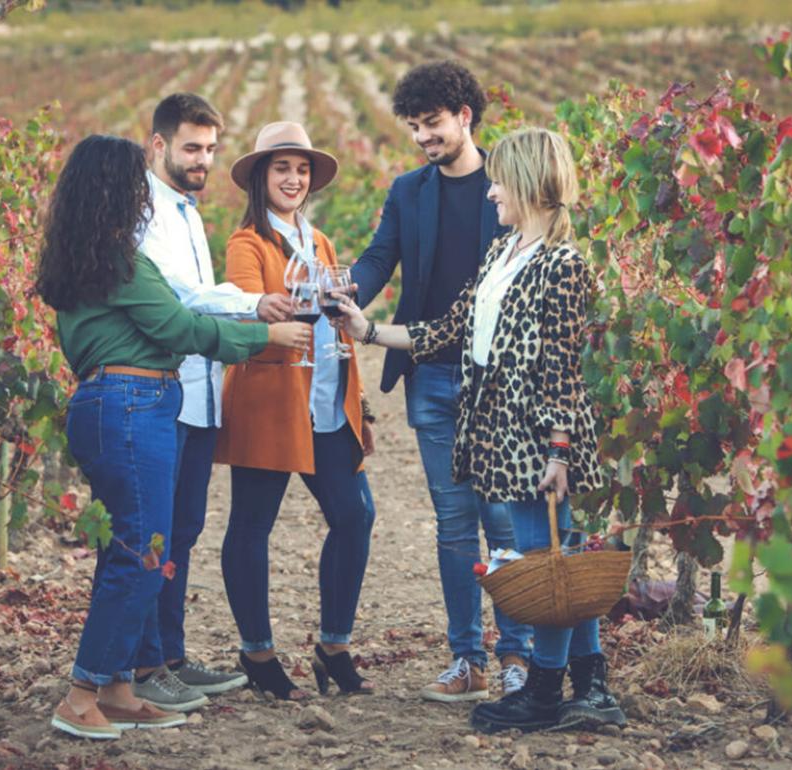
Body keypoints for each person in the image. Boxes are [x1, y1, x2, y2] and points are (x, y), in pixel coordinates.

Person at [332, 127, 624, 734]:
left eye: (498, 182)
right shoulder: (504, 254)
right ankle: (584, 688)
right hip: (505, 436)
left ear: (525, 183)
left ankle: (550, 691)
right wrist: (366, 331)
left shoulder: (563, 265)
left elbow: (566, 366)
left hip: (542, 440)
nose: (490, 192)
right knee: (553, 559)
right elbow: (444, 330)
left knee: (544, 560)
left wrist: (560, 450)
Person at [35, 134, 311, 739]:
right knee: (142, 551)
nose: (143, 195)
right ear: (114, 191)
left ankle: (118, 687)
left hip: (118, 405)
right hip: (131, 405)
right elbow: (180, 326)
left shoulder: (83, 258)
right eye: (135, 184)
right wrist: (263, 340)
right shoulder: (119, 263)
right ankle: (82, 695)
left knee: (131, 549)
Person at [350, 60, 531, 703]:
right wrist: (351, 289)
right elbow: (379, 257)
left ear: (464, 117)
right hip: (429, 371)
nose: (424, 137)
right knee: (453, 524)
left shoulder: (509, 184)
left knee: (504, 521)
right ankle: (467, 658)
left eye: (432, 124)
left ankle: (517, 656)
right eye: (415, 127)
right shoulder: (408, 191)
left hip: (498, 375)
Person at [130, 93, 294, 711]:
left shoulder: (189, 211)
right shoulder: (145, 211)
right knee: (155, 538)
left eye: (209, 150)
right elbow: (179, 295)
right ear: (159, 145)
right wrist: (254, 309)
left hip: (201, 397)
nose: (202, 160)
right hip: (163, 396)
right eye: (191, 147)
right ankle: (145, 666)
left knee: (184, 532)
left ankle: (170, 656)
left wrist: (255, 307)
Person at [214, 122, 376, 700]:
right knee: (252, 526)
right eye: (281, 168)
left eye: (301, 169)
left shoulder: (322, 241)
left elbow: (336, 318)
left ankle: (333, 646)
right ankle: (257, 652)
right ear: (261, 177)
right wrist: (268, 311)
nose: (293, 178)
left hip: (327, 402)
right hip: (271, 402)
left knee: (356, 516)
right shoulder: (248, 243)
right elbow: (239, 312)